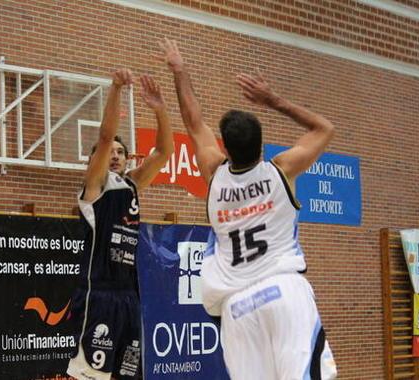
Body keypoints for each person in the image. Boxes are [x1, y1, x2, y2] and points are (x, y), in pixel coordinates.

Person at [159, 39, 338, 379]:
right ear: (263, 143)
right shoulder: (281, 169)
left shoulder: (213, 173)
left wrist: (179, 71)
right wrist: (273, 100)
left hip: (237, 306)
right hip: (284, 290)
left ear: (224, 146)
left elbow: (194, 121)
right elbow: (324, 129)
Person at [68, 69, 173, 380]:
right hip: (98, 294)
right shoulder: (96, 186)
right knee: (91, 376)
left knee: (128, 375)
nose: (114, 155)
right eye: (108, 152)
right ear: (95, 161)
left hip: (127, 296)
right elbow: (103, 137)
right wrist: (115, 89)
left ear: (128, 159)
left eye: (120, 152)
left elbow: (165, 151)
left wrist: (160, 109)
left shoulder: (131, 185)